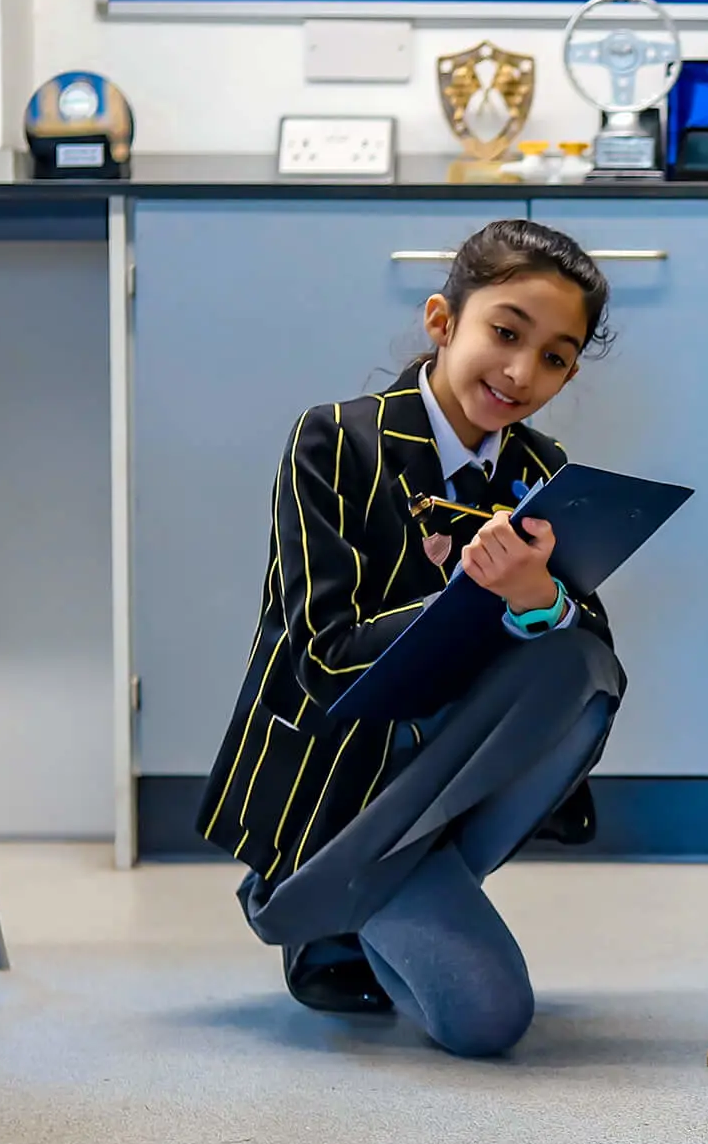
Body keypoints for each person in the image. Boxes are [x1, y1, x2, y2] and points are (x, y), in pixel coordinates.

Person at [197, 219, 623, 1057]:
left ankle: (378, 896)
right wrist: (465, 598)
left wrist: (538, 599)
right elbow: (321, 651)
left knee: (580, 660)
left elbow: (591, 663)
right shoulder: (332, 439)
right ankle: (315, 900)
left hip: (445, 777)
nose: (520, 372)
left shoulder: (544, 468)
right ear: (442, 320)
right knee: (486, 1020)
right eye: (505, 333)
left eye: (555, 357)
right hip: (336, 782)